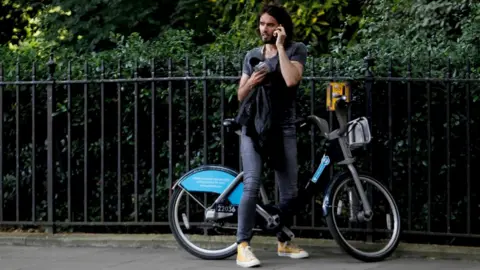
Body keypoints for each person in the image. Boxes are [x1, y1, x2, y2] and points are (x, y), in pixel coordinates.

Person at [235, 3, 309, 268]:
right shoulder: (252, 55)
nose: (263, 29)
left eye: (269, 24)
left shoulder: (296, 49)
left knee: (290, 191)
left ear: (280, 27)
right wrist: (252, 82)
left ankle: (283, 241)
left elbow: (291, 80)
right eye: (262, 24)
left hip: (283, 128)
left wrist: (279, 48)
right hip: (253, 127)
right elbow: (240, 95)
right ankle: (242, 246)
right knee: (252, 182)